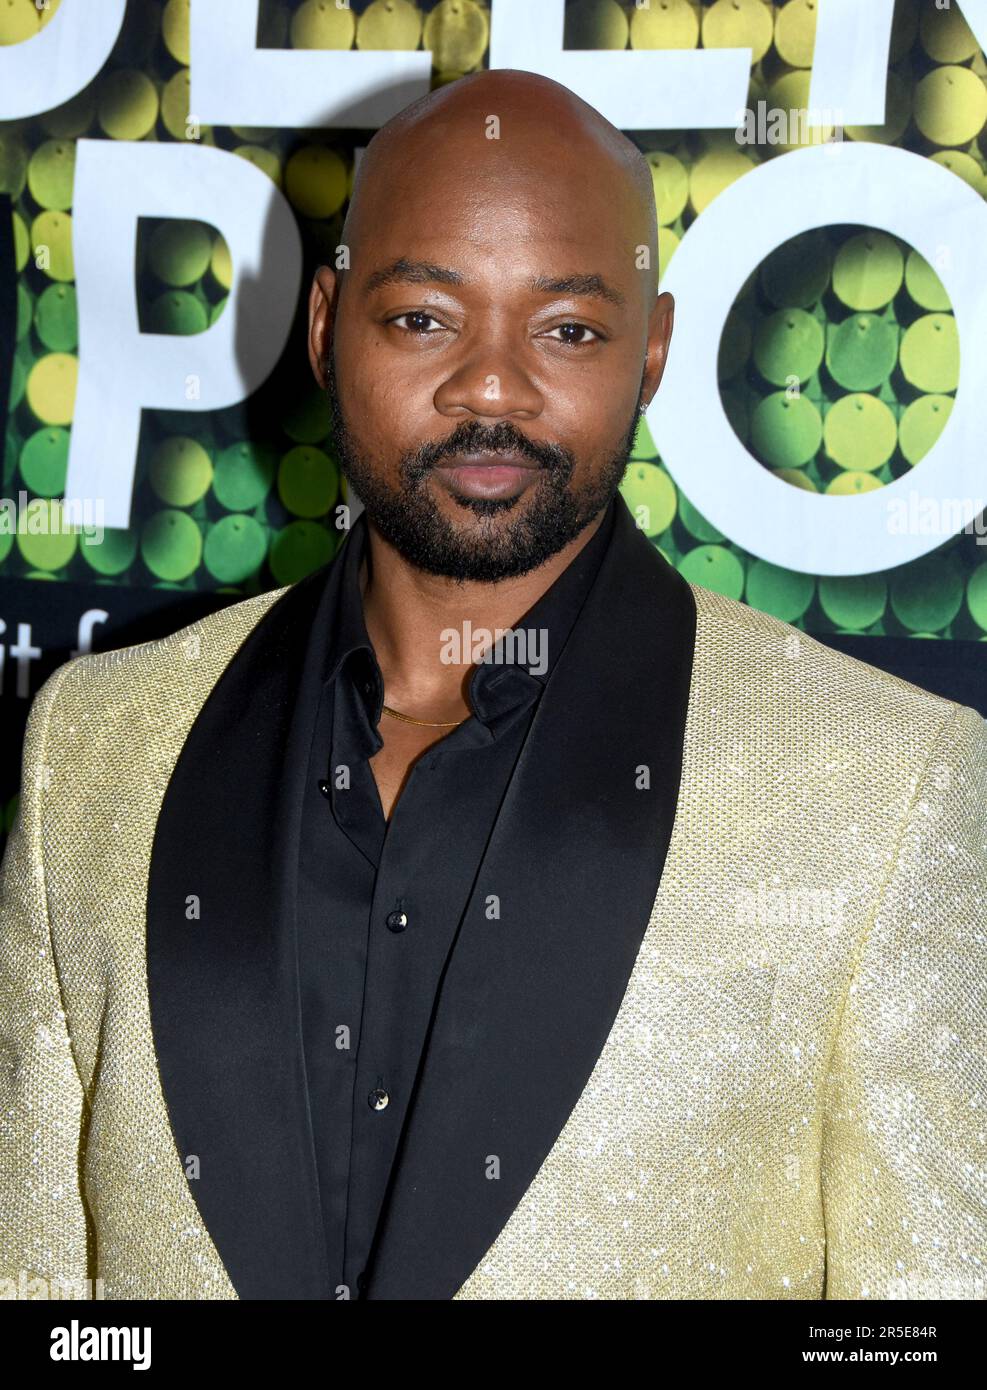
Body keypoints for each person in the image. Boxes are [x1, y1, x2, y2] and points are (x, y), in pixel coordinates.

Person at [1, 69, 984, 1303]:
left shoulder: (887, 783)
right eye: (423, 317)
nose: (492, 387)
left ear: (654, 352)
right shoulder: (92, 748)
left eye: (568, 328)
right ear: (323, 324)